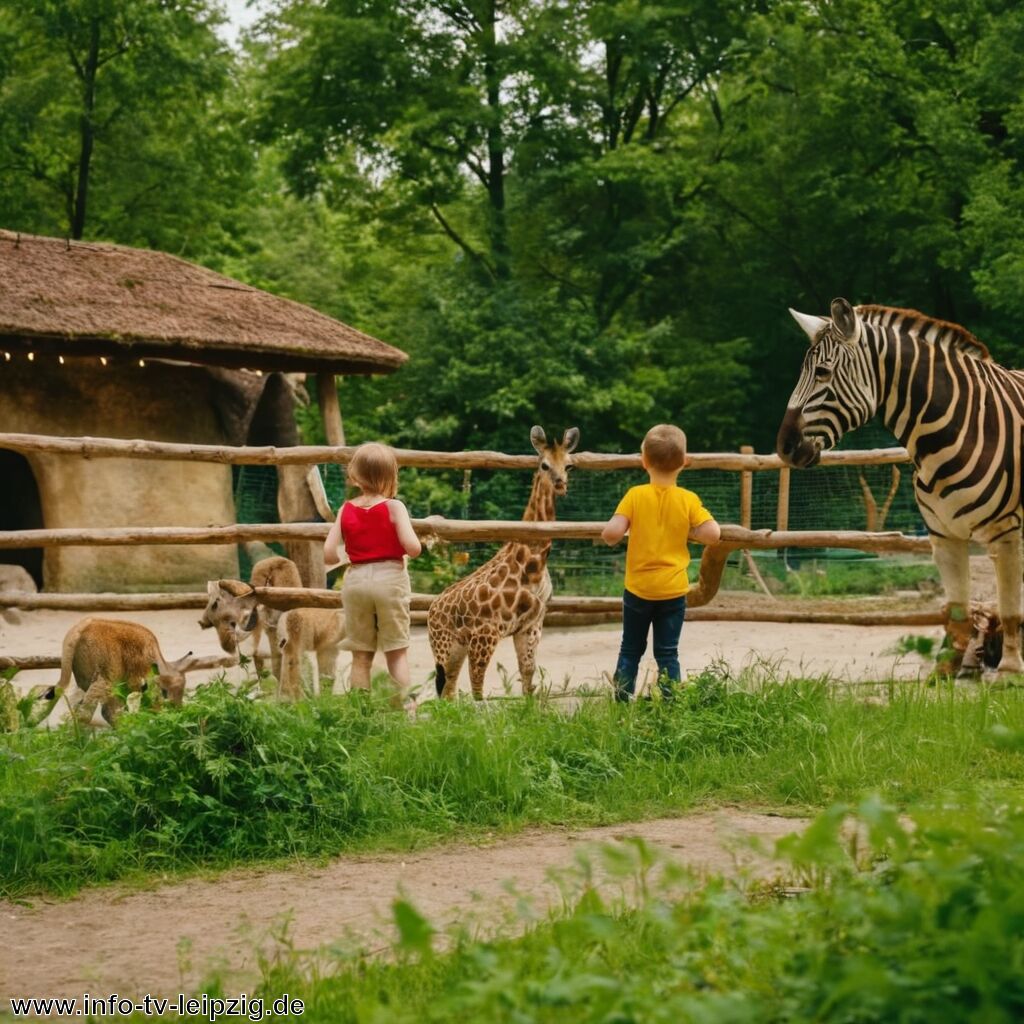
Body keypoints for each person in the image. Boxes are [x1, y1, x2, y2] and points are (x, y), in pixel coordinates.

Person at [601, 424, 721, 701]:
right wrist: (689, 530)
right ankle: (669, 703)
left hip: (638, 590)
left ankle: (621, 700)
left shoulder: (634, 495)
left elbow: (611, 534)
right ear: (685, 462)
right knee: (668, 651)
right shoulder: (688, 499)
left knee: (630, 648)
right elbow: (713, 534)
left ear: (643, 461)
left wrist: (624, 528)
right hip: (673, 592)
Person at [323, 442, 422, 710]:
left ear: (355, 476)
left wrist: (348, 553)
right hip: (390, 580)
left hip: (355, 582)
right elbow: (413, 548)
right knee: (396, 651)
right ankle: (408, 713)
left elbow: (328, 552)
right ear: (391, 475)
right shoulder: (394, 507)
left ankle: (360, 715)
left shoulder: (345, 510)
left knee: (361, 654)